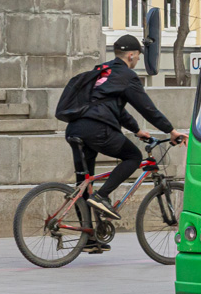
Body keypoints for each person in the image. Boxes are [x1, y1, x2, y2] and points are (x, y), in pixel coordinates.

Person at [65, 35, 186, 241]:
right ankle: (103, 196)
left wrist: (137, 130)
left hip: (75, 128)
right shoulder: (127, 76)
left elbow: (114, 109)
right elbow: (147, 107)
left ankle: (89, 239)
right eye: (138, 57)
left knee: (83, 184)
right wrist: (171, 130)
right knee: (133, 157)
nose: (137, 61)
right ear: (131, 55)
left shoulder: (102, 71)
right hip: (97, 128)